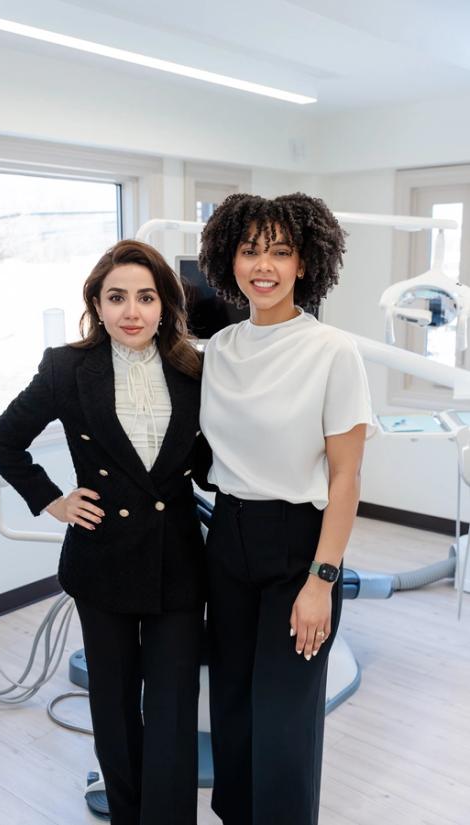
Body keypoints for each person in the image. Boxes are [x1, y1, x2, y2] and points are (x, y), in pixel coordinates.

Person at [0, 239, 207, 825]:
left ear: (165, 305)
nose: (131, 311)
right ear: (97, 303)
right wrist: (53, 501)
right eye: (116, 297)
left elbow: (210, 461)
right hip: (103, 559)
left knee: (173, 706)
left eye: (145, 297)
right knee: (112, 704)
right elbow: (3, 441)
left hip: (178, 560)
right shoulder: (66, 368)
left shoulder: (195, 369)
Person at [197, 193, 374, 825]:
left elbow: (347, 475)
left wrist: (321, 581)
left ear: (305, 262)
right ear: (228, 260)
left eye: (279, 251)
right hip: (228, 537)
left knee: (285, 717)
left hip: (300, 543)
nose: (262, 265)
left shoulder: (332, 351)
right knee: (235, 709)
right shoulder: (219, 349)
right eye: (249, 251)